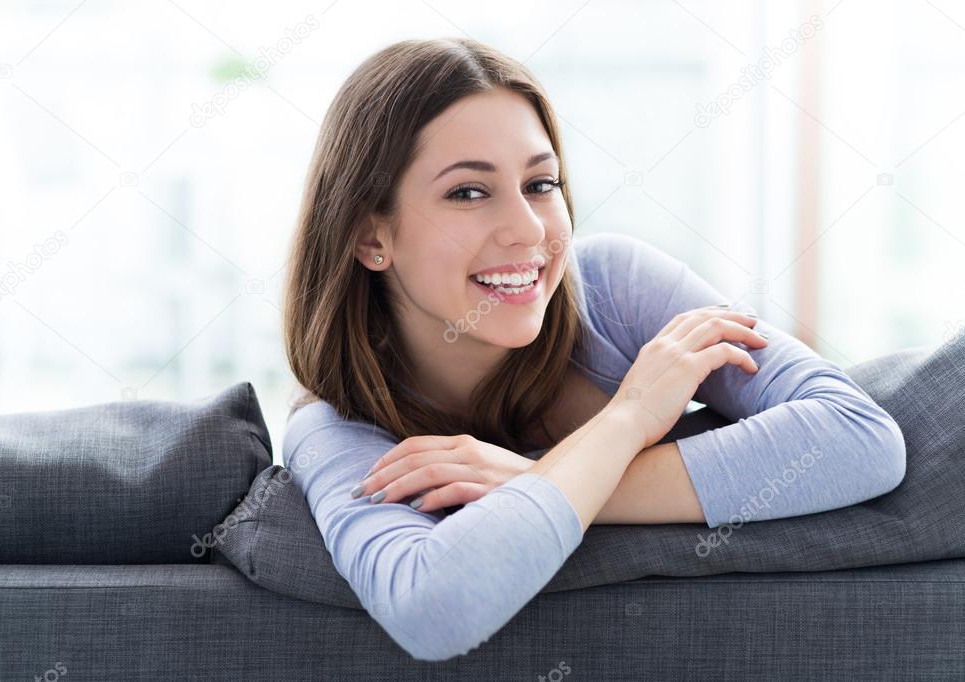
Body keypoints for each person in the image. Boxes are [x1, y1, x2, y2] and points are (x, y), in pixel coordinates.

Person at [280, 37, 906, 661]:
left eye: (540, 183)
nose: (528, 230)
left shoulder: (612, 286)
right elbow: (436, 611)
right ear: (370, 235)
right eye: (468, 192)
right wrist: (628, 417)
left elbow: (861, 437)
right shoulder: (338, 427)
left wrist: (533, 477)